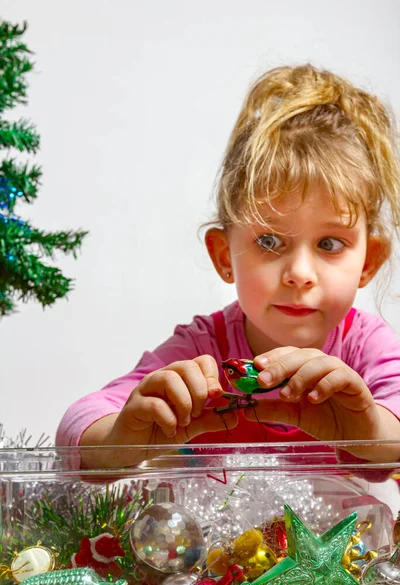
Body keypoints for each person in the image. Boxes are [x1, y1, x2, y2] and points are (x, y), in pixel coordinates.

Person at [56, 64, 400, 468]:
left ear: (368, 261)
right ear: (224, 256)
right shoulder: (203, 350)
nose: (300, 274)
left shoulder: (365, 347)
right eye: (269, 241)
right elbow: (75, 427)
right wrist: (121, 439)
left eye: (330, 243)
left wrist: (371, 431)